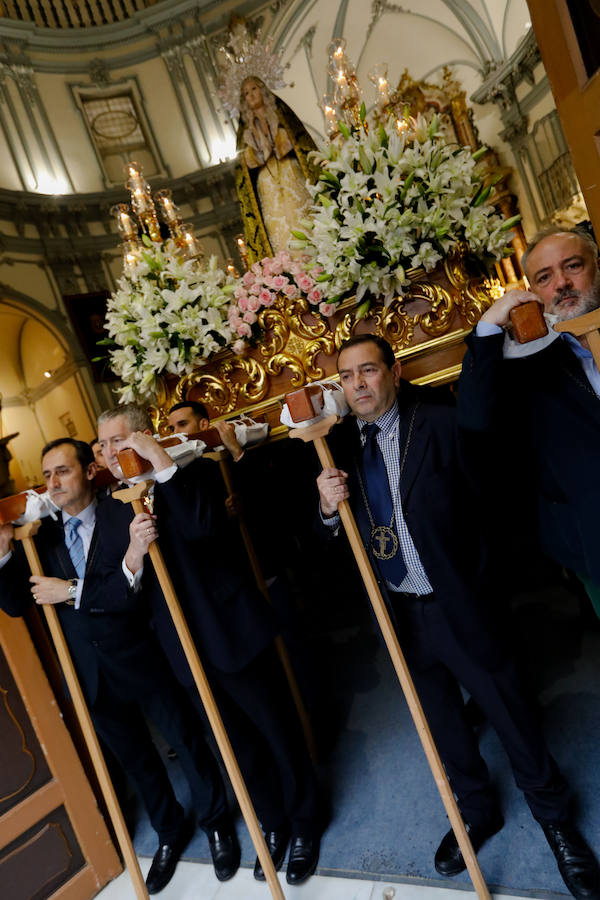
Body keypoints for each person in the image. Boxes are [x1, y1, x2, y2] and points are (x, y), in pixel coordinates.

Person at [315, 333, 600, 899]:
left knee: (510, 712)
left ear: (393, 373)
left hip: (461, 603)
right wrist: (326, 507)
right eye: (347, 377)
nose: (358, 385)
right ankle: (476, 810)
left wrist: (481, 587)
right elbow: (337, 540)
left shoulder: (440, 424)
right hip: (401, 613)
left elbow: (494, 506)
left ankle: (555, 821)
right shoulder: (338, 447)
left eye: (368, 371)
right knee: (442, 723)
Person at [97, 404, 323, 885]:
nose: (111, 454)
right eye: (104, 446)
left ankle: (305, 821)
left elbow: (205, 528)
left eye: (119, 441)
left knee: (275, 729)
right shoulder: (114, 506)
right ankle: (274, 823)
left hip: (231, 628)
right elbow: (122, 592)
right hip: (182, 650)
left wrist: (161, 465)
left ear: (142, 436)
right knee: (235, 745)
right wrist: (134, 553)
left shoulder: (189, 470)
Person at [0, 438, 240, 892]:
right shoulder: (41, 535)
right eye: (47, 475)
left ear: (90, 472)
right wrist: (3, 553)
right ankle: (170, 830)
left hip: (141, 653)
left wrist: (69, 589)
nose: (53, 483)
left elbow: (128, 591)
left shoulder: (124, 513)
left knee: (186, 741)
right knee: (137, 760)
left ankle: (216, 821)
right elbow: (15, 602)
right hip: (88, 671)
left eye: (63, 472)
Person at [457, 226, 600, 611]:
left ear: (596, 267)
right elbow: (474, 419)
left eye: (573, 266)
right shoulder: (527, 364)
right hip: (591, 537)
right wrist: (488, 327)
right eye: (545, 277)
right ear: (532, 293)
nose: (562, 284)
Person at [235, 76, 319, 263]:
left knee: (302, 216)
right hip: (267, 180)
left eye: (254, 89)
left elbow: (297, 140)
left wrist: (277, 142)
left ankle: (315, 257)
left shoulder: (280, 114)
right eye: (246, 93)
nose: (251, 95)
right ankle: (290, 268)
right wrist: (260, 146)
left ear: (263, 90)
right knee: (278, 226)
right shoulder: (246, 128)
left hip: (290, 170)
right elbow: (247, 162)